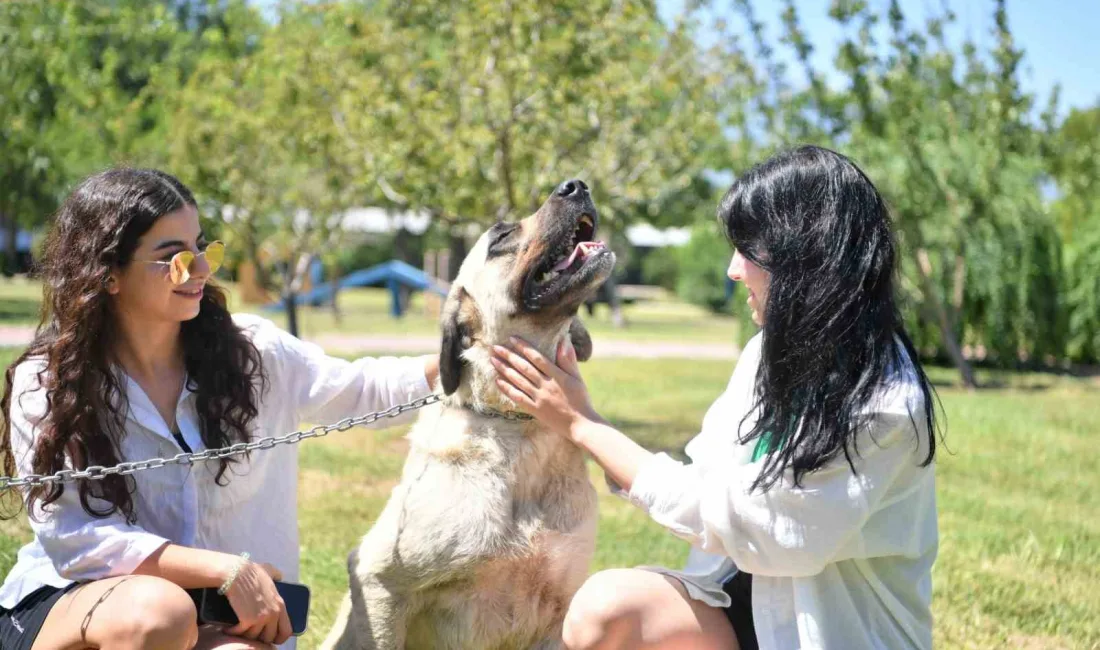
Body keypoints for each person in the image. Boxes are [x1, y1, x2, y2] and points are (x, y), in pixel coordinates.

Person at [491, 145, 940, 650]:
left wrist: (584, 424)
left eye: (750, 250)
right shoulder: (767, 355)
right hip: (743, 611)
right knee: (605, 610)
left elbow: (763, 536)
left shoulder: (882, 402)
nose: (732, 270)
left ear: (807, 258)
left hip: (826, 634)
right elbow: (704, 477)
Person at [0, 168, 439, 650]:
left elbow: (363, 389)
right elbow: (77, 540)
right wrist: (223, 569)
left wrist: (467, 359)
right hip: (75, 604)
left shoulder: (252, 353)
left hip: (210, 615)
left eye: (203, 248)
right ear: (107, 273)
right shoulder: (48, 382)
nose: (202, 270)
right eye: (174, 257)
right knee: (159, 613)